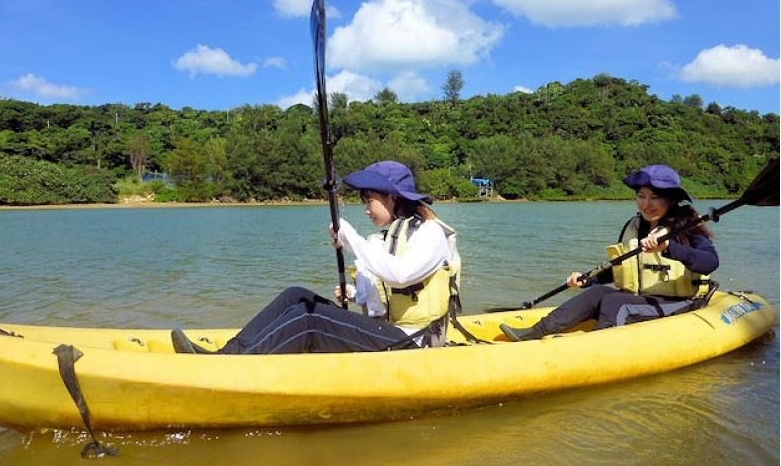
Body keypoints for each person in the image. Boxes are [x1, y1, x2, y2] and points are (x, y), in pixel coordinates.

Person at [171, 160, 460, 354]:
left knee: (310, 318)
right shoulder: (390, 238)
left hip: (414, 343)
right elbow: (387, 296)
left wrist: (350, 239)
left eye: (369, 200)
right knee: (296, 296)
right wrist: (356, 293)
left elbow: (401, 274)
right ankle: (228, 354)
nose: (366, 209)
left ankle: (234, 367)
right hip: (390, 331)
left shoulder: (431, 233)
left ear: (392, 197)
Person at [500, 164, 718, 341]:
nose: (647, 204)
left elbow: (710, 262)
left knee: (615, 303)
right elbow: (620, 267)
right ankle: (533, 333)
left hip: (678, 303)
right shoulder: (634, 226)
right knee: (596, 295)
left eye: (655, 197)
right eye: (642, 196)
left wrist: (669, 248)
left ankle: (594, 348)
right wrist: (588, 280)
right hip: (640, 299)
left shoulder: (688, 226)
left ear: (670, 199)